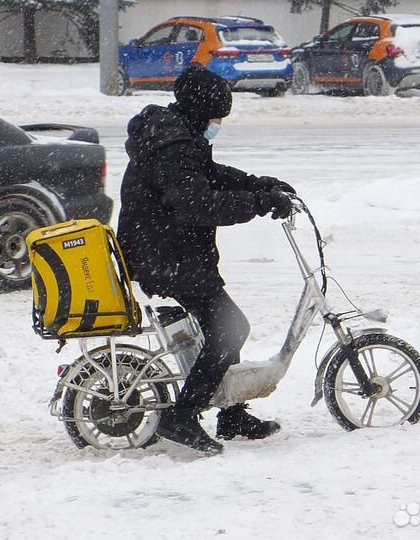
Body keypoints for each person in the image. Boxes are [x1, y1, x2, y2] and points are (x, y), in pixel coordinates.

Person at [117, 63, 297, 453]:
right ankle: (181, 416)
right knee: (230, 327)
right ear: (201, 111)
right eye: (216, 116)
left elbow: (208, 173)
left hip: (171, 250)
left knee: (224, 324)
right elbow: (196, 203)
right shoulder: (173, 145)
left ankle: (230, 415)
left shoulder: (177, 135)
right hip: (163, 255)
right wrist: (258, 203)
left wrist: (256, 184)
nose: (218, 124)